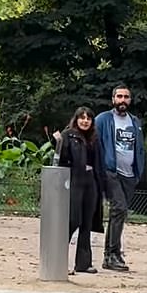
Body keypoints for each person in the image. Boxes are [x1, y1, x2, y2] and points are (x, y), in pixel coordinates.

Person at [95, 85, 145, 272]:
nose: (122, 100)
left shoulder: (135, 122)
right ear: (113, 99)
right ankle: (112, 254)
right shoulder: (103, 119)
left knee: (119, 213)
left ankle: (110, 255)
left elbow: (139, 147)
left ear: (130, 100)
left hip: (129, 174)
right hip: (110, 172)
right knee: (120, 208)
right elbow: (94, 142)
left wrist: (138, 171)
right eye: (119, 96)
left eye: (126, 97)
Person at [57, 107, 106, 274]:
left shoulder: (95, 138)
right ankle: (58, 259)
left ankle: (83, 263)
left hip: (91, 182)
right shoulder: (68, 135)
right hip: (75, 181)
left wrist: (101, 185)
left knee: (87, 222)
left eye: (88, 118)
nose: (85, 121)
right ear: (76, 119)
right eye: (82, 118)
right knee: (74, 220)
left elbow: (99, 162)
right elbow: (61, 159)